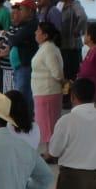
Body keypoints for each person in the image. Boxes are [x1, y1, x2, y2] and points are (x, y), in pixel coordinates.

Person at [31, 21, 65, 150]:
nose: (35, 33)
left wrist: (63, 83)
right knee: (45, 123)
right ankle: (49, 151)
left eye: (38, 31)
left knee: (48, 124)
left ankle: (51, 152)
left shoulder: (48, 49)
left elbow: (57, 73)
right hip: (43, 91)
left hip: (48, 91)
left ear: (45, 35)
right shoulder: (46, 48)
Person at [5, 0, 39, 106]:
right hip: (21, 65)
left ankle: (24, 120)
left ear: (29, 11)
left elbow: (14, 40)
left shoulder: (31, 25)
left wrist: (8, 36)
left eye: (22, 10)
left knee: (23, 97)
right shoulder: (24, 24)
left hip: (25, 66)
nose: (19, 12)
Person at [59, 0, 87, 81]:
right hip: (62, 44)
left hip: (72, 46)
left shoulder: (75, 5)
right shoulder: (60, 5)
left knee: (71, 73)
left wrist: (77, 29)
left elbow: (83, 17)